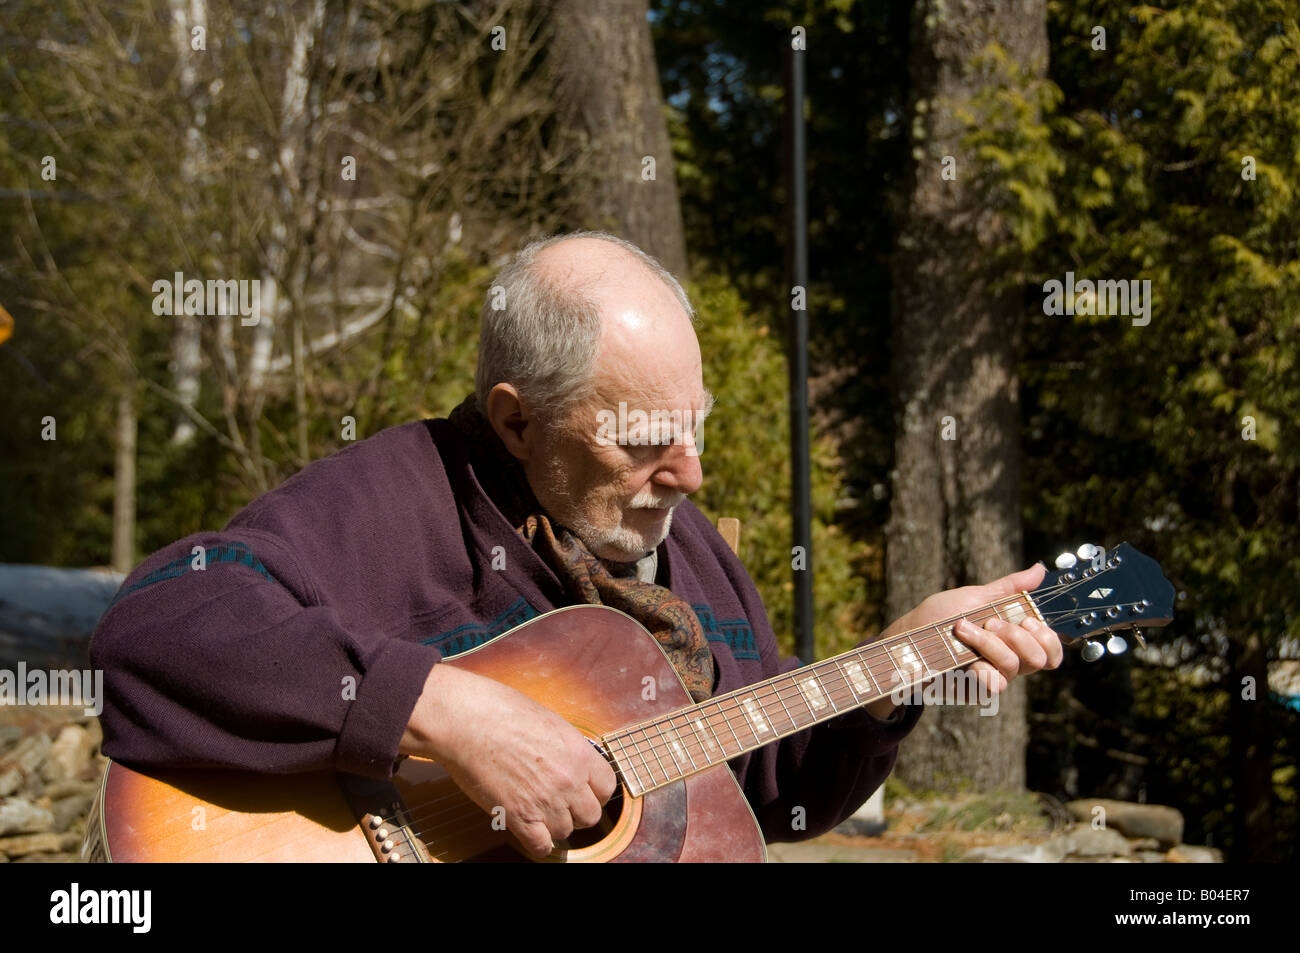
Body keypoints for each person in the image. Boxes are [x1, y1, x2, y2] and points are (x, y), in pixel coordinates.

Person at [90, 231, 1063, 859]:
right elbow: (158, 626)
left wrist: (893, 668)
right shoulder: (394, 496)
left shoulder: (685, 556)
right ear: (516, 423)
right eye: (644, 441)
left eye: (698, 427)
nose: (688, 474)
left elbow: (766, 797)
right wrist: (445, 713)